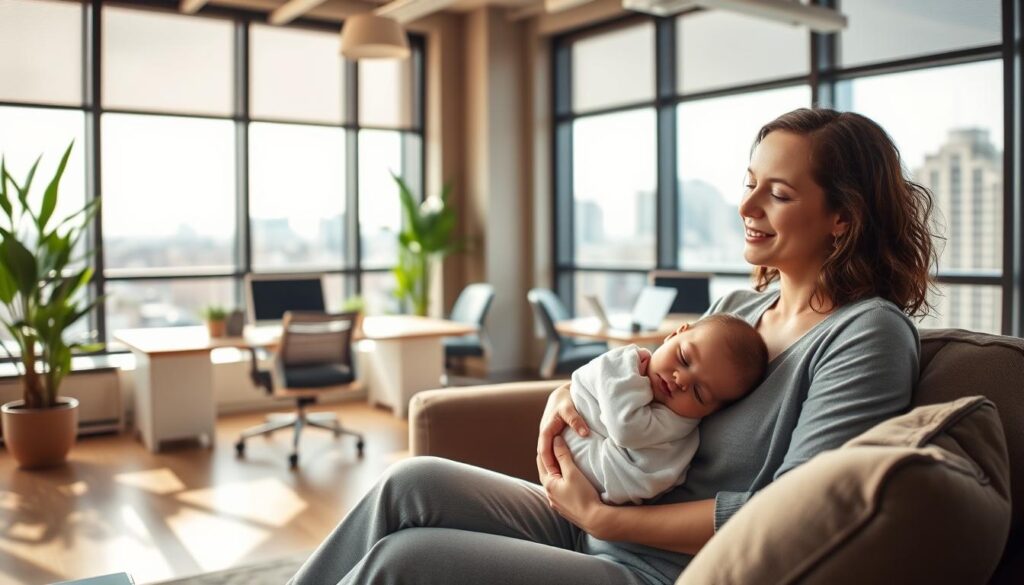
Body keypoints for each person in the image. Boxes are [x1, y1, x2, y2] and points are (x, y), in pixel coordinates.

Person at [288, 108, 936, 585]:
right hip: (598, 518)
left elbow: (797, 515)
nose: (747, 204)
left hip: (661, 568)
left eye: (780, 193)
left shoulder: (866, 335)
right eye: (750, 181)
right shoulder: (739, 307)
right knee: (409, 481)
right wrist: (564, 395)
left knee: (407, 563)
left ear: (842, 218)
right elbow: (641, 380)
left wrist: (606, 519)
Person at [565, 314, 767, 505]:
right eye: (684, 358)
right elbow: (581, 384)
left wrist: (628, 376)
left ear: (712, 411)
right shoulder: (629, 360)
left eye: (699, 393)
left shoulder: (677, 423)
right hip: (571, 456)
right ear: (674, 334)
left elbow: (626, 428)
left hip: (601, 485)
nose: (681, 380)